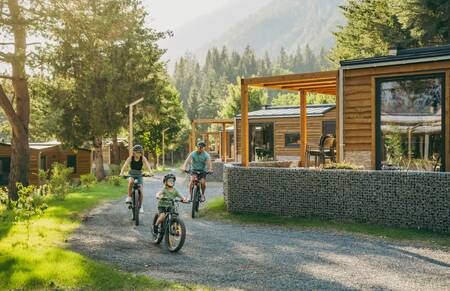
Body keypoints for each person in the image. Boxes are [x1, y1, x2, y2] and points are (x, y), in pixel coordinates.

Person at [119, 144, 153, 213]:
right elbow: (125, 165)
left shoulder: (143, 158)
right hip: (131, 174)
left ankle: (140, 206)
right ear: (134, 152)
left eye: (140, 152)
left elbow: (147, 165)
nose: (139, 153)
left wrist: (151, 172)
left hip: (139, 175)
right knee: (131, 181)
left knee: (140, 190)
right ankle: (129, 197)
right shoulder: (130, 158)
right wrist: (122, 172)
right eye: (137, 152)